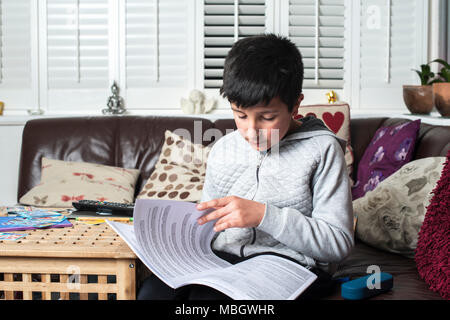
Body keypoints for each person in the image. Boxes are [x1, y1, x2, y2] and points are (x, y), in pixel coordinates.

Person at [138, 33, 354, 300]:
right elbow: (207, 224)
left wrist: (265, 215)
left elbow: (338, 242)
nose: (252, 131)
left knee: (207, 301)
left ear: (295, 104)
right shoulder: (223, 149)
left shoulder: (323, 149)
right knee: (152, 293)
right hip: (225, 261)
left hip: (294, 268)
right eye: (240, 115)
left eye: (267, 117)